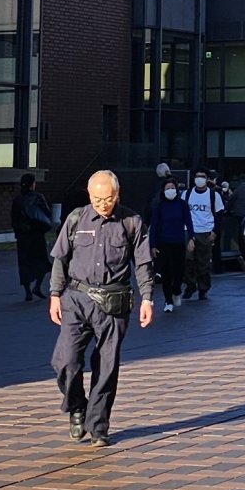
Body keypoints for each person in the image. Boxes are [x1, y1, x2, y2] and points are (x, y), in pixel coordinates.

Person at [47, 170, 157, 445]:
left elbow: (143, 264)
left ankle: (98, 426)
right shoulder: (76, 219)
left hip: (113, 302)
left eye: (107, 199)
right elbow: (60, 260)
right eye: (97, 200)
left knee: (106, 366)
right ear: (89, 195)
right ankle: (76, 406)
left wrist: (147, 298)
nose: (103, 205)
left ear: (117, 195)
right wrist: (55, 294)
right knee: (65, 360)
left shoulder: (131, 221)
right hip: (76, 298)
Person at [149, 171, 192, 312]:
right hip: (163, 242)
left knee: (179, 270)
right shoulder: (159, 206)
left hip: (178, 242)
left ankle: (177, 290)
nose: (170, 190)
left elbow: (189, 221)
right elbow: (154, 226)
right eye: (168, 188)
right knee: (166, 273)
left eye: (173, 188)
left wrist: (191, 238)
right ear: (163, 190)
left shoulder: (182, 205)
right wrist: (152, 245)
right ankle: (168, 301)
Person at [11, 174, 56, 301]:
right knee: (41, 261)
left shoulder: (17, 200)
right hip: (36, 234)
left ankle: (27, 291)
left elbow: (14, 218)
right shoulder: (38, 197)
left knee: (24, 263)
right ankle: (37, 286)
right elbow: (46, 213)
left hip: (23, 237)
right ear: (32, 184)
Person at [186, 169, 223, 301]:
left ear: (207, 179)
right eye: (197, 176)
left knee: (203, 263)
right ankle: (190, 285)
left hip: (206, 231)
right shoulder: (187, 194)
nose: (199, 179)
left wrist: (215, 231)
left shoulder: (214, 195)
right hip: (189, 230)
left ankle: (203, 288)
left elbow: (219, 214)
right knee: (187, 260)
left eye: (202, 176)